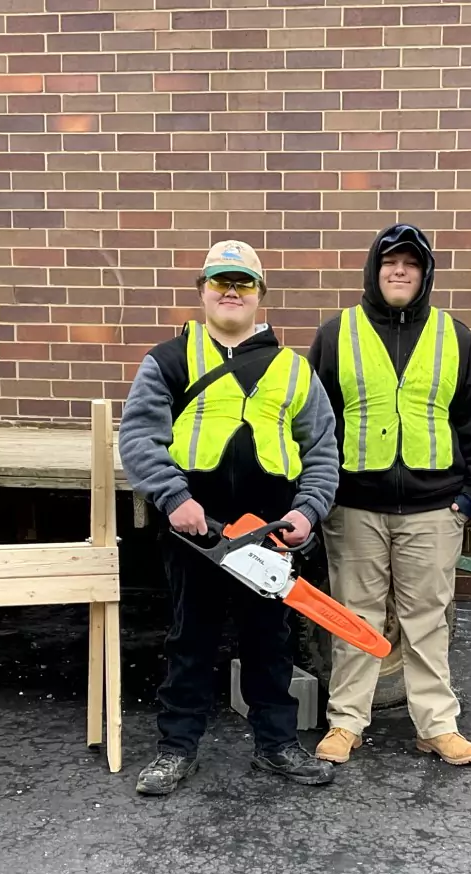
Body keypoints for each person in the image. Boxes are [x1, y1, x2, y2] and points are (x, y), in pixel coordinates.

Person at [120, 240, 339, 795]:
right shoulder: (168, 361)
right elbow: (141, 439)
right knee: (189, 640)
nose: (231, 291)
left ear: (260, 295)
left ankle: (277, 746)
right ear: (202, 291)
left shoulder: (294, 370)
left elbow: (321, 452)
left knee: (272, 642)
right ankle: (176, 749)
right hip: (196, 530)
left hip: (270, 535)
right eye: (221, 281)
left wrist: (307, 513)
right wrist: (175, 499)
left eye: (243, 283)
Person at [306, 223, 471, 767]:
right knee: (353, 617)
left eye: (411, 264)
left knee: (427, 619)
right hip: (355, 506)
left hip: (434, 507)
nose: (399, 271)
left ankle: (437, 726)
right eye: (390, 261)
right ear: (374, 269)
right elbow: (315, 423)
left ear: (424, 273)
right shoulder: (336, 333)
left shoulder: (452, 335)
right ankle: (346, 723)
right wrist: (322, 496)